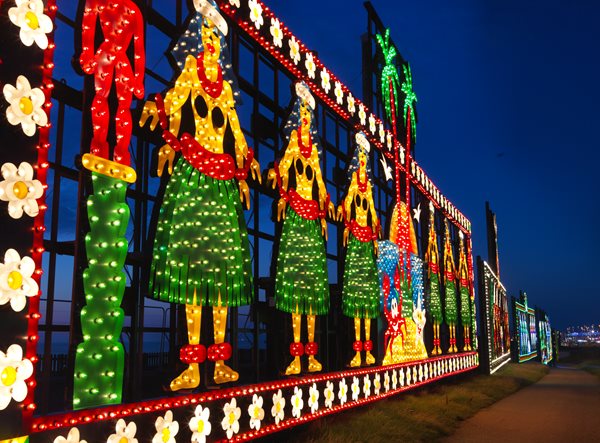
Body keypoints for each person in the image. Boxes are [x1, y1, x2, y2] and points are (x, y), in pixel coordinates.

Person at [139, 0, 260, 389]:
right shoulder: (189, 77)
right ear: (197, 38)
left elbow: (237, 136)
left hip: (222, 183)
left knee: (221, 278)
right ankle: (192, 366)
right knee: (194, 274)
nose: (211, 44)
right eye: (206, 35)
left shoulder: (224, 92)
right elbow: (172, 102)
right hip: (193, 177)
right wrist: (157, 111)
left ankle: (220, 361)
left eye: (216, 38)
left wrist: (246, 166)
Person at [268, 82, 334, 375]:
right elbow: (283, 168)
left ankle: (312, 353)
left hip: (311, 218)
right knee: (297, 292)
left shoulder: (315, 155)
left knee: (311, 292)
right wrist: (278, 183)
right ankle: (296, 355)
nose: (305, 117)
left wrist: (326, 204)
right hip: (296, 215)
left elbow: (319, 182)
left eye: (309, 113)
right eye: (303, 111)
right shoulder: (294, 142)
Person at [79, 0, 145, 166]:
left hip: (111, 57)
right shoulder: (130, 9)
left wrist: (138, 78)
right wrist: (87, 53)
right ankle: (103, 146)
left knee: (119, 104)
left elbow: (138, 48)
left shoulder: (133, 10)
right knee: (109, 101)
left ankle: (116, 150)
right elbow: (88, 25)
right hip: (110, 56)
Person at [338, 133, 380, 367]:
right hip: (356, 241)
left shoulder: (369, 191)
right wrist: (346, 225)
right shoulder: (355, 183)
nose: (362, 159)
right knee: (356, 301)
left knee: (365, 303)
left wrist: (374, 234)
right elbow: (347, 203)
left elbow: (372, 213)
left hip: (365, 243)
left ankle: (368, 349)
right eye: (360, 155)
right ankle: (357, 350)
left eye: (365, 156)